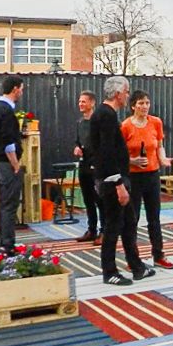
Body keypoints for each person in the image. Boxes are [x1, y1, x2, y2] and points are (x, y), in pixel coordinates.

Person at [87, 76, 153, 286]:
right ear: (117, 94)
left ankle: (137, 266)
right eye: (126, 92)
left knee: (129, 223)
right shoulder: (105, 116)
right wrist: (118, 184)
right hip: (112, 181)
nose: (127, 95)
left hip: (115, 179)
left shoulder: (106, 114)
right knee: (113, 226)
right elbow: (106, 152)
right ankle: (109, 271)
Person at [122, 90, 173, 269]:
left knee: (154, 217)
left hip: (152, 175)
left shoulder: (155, 122)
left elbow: (159, 146)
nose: (144, 106)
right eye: (141, 103)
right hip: (133, 177)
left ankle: (158, 255)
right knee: (132, 218)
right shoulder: (126, 126)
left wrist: (163, 159)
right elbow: (118, 154)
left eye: (147, 103)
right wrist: (132, 160)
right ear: (133, 106)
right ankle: (132, 258)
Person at [0, 76, 25, 255]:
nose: (22, 92)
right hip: (7, 163)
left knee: (4, 204)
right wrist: (16, 164)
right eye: (21, 89)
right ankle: (8, 246)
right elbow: (8, 142)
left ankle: (4, 243)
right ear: (15, 89)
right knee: (10, 205)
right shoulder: (6, 111)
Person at [73, 90, 102, 242]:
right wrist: (77, 147)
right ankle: (92, 230)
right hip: (83, 165)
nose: (80, 104)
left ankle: (104, 232)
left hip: (96, 166)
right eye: (79, 101)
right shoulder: (79, 123)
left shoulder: (98, 122)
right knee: (88, 199)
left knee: (100, 200)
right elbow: (78, 141)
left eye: (83, 101)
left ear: (92, 103)